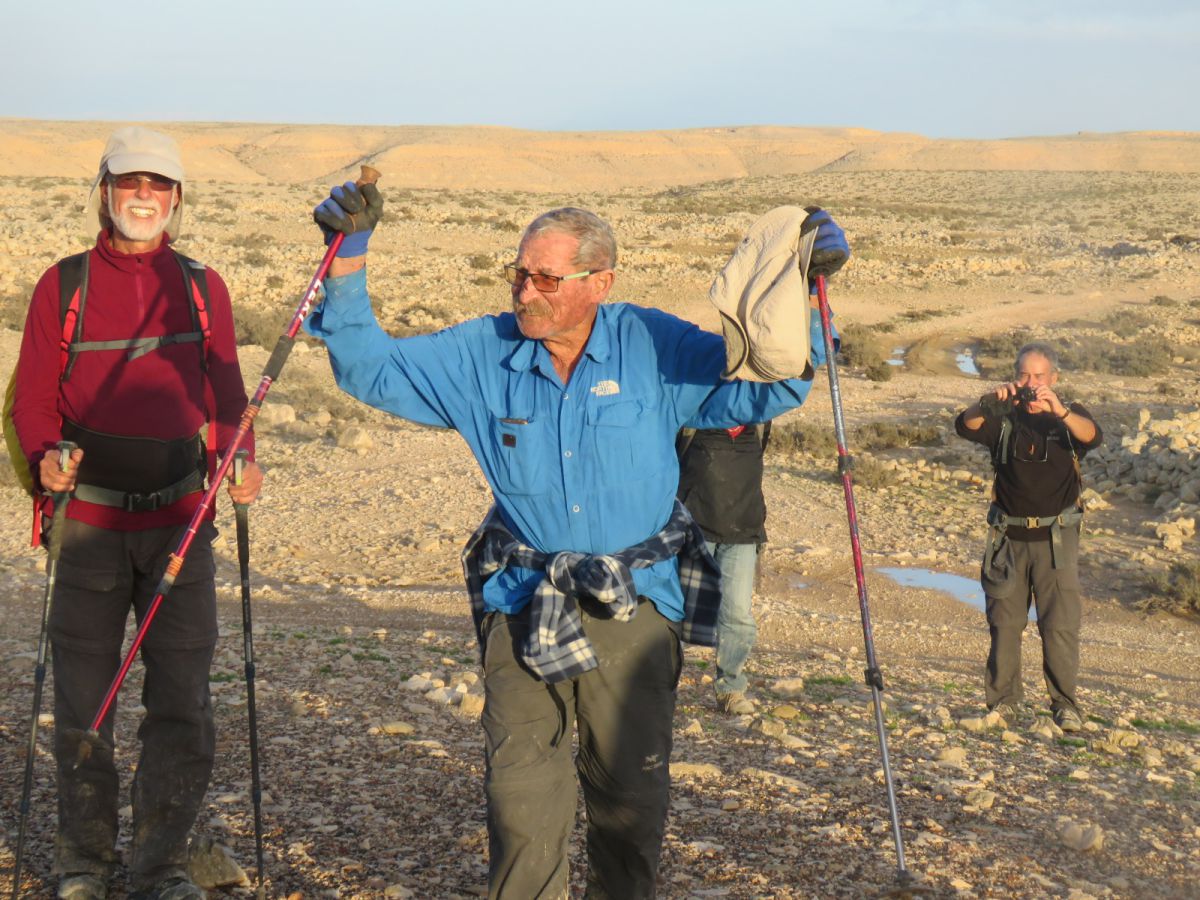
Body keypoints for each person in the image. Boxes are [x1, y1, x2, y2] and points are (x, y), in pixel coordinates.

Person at [305, 183, 849, 898]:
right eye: (519, 273)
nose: (524, 291)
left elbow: (765, 389)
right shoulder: (482, 352)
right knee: (520, 801)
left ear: (601, 283)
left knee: (629, 803)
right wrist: (348, 252)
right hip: (522, 601)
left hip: (637, 607)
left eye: (545, 278)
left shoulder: (653, 343)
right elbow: (369, 369)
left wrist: (807, 290)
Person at [9, 126, 263, 900]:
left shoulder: (201, 286)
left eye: (158, 185)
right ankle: (84, 863)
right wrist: (47, 457)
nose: (143, 197)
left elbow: (225, 400)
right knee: (85, 705)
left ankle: (161, 867)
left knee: (181, 705)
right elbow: (30, 402)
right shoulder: (64, 285)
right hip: (87, 528)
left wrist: (241, 462)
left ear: (177, 198)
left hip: (183, 524)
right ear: (106, 191)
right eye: (129, 184)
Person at [955, 341, 1101, 733]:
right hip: (1007, 538)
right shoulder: (1003, 418)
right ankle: (1004, 702)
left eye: (1039, 377)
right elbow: (964, 425)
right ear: (1014, 375)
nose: (1031, 384)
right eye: (1024, 375)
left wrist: (1060, 411)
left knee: (1060, 624)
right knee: (1004, 621)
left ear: (1053, 379)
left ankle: (1065, 705)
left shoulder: (1068, 419)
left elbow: (1092, 436)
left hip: (1057, 539)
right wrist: (986, 404)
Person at [676, 422, 771, 715]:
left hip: (744, 527)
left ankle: (731, 689)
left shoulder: (761, 418)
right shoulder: (694, 414)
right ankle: (658, 685)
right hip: (691, 528)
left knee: (737, 615)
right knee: (674, 610)